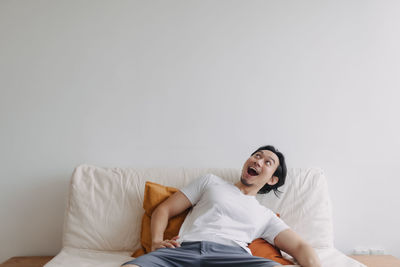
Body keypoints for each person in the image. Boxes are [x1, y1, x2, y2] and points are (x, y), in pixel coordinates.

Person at [122, 145, 321, 267]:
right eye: (257, 156)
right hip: (184, 250)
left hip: (232, 257)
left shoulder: (265, 215)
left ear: (272, 180)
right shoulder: (210, 182)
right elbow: (164, 209)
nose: (258, 161)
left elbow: (301, 247)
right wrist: (156, 242)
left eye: (267, 162)